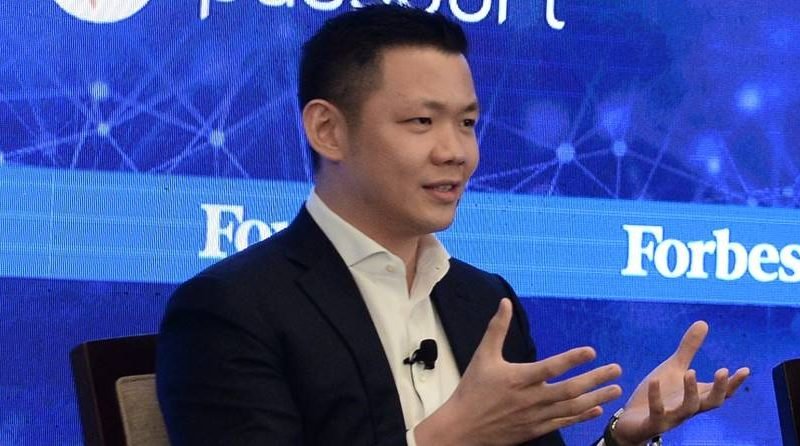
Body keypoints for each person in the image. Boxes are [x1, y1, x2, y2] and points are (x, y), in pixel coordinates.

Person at [156, 5, 749, 445]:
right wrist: (448, 437)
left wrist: (623, 437)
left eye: (466, 123)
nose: (456, 152)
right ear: (327, 131)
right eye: (422, 122)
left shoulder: (484, 301)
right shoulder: (230, 310)